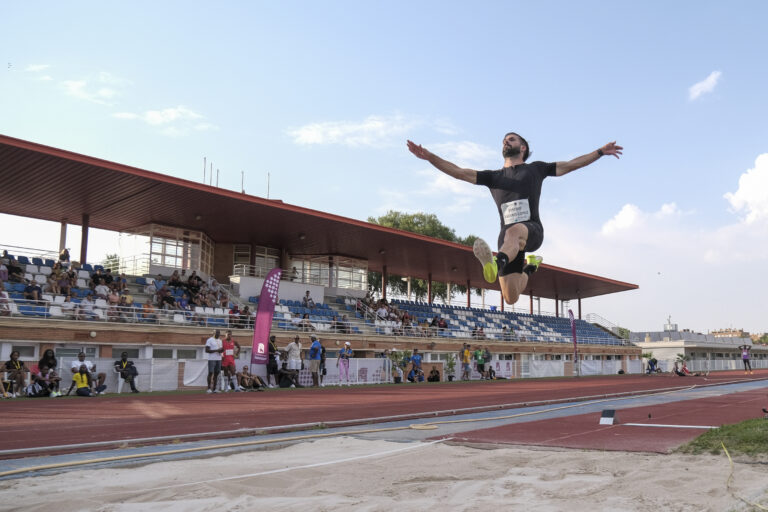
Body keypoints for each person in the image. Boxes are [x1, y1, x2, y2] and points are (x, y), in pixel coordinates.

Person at [408, 135, 622, 305]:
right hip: (508, 240)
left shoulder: (536, 169)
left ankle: (496, 261)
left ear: (522, 148)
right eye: (504, 139)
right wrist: (430, 157)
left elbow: (570, 164)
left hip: (531, 230)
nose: (505, 141)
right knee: (511, 298)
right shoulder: (493, 177)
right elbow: (459, 172)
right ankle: (531, 267)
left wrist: (600, 152)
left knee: (514, 232)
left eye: (511, 139)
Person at [205, 329, 224, 393]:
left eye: (219, 333)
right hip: (212, 359)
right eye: (217, 332)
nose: (218, 334)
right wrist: (216, 350)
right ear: (213, 333)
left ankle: (215, 389)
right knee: (210, 373)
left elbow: (220, 349)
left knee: (217, 373)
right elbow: (206, 350)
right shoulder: (209, 340)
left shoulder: (220, 341)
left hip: (219, 359)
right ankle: (208, 389)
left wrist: (221, 350)